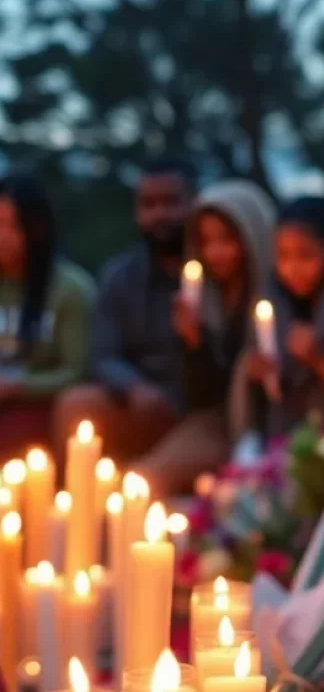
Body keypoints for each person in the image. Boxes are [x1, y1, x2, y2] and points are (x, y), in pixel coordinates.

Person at [134, 179, 275, 496]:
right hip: (216, 422)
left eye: (226, 240)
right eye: (206, 242)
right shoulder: (210, 300)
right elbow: (202, 399)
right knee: (141, 477)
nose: (215, 253)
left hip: (262, 430)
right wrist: (194, 343)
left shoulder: (279, 298)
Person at [54, 158, 194, 462]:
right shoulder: (119, 275)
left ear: (192, 204)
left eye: (171, 202)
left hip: (197, 407)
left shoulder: (215, 272)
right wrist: (134, 386)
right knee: (76, 403)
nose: (160, 214)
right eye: (148, 204)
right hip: (137, 402)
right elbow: (102, 355)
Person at [231, 196, 324, 438]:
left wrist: (320, 361)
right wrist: (256, 375)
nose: (293, 269)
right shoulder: (272, 300)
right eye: (283, 256)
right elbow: (266, 395)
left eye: (306, 256)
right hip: (282, 436)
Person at [0, 175, 95, 459]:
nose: (2, 236)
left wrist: (16, 388)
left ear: (36, 228)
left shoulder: (71, 289)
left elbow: (77, 372)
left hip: (42, 406)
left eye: (12, 225)